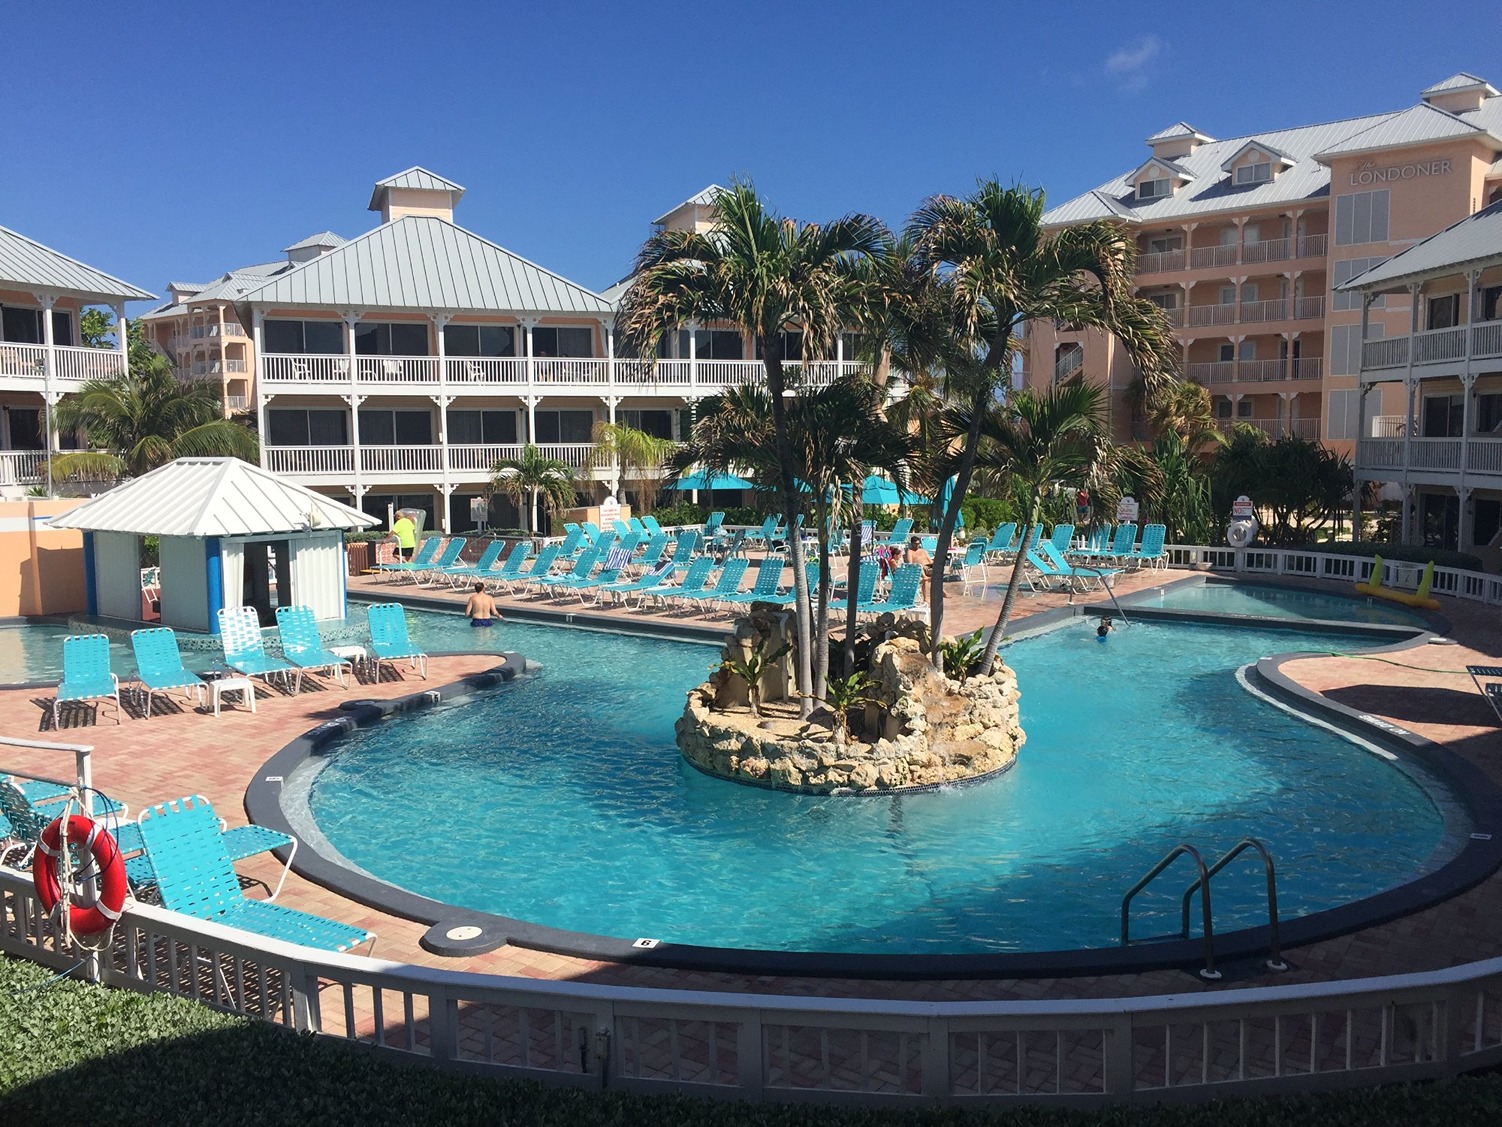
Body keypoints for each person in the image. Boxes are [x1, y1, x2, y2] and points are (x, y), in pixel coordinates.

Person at [907, 535, 933, 600]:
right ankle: (926, 598)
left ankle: (941, 593)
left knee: (937, 574)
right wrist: (922, 567)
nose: (917, 545)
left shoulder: (923, 551)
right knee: (925, 579)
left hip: (928, 567)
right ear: (912, 543)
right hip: (917, 570)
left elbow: (930, 561)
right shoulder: (910, 551)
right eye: (915, 544)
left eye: (918, 543)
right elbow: (910, 563)